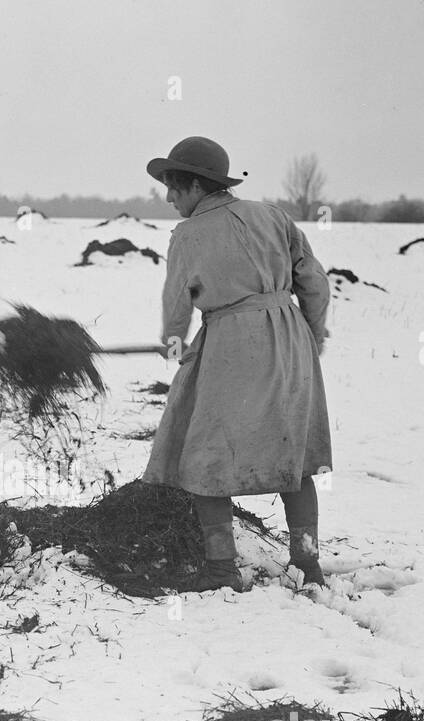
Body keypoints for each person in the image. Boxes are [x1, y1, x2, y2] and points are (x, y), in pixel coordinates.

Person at [142, 137, 333, 593]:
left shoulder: (187, 236)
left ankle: (222, 570)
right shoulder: (274, 216)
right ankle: (307, 564)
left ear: (194, 185)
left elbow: (177, 302)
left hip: (230, 343)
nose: (169, 199)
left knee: (205, 452)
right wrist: (310, 335)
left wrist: (172, 343)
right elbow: (316, 283)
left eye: (172, 187)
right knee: (295, 453)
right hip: (291, 340)